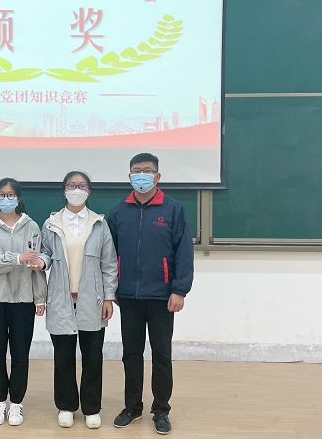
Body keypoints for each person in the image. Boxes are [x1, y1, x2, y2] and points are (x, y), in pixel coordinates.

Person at [107, 153, 194, 435]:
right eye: (137, 171)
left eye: (147, 170)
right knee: (131, 354)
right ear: (129, 176)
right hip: (128, 297)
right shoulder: (118, 212)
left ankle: (161, 410)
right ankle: (132, 407)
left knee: (162, 355)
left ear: (157, 176)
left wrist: (179, 290)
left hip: (162, 296)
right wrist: (112, 288)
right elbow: (109, 255)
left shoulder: (173, 210)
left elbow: (184, 252)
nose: (141, 175)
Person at [36, 171, 118, 430]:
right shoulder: (51, 223)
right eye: (72, 185)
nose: (77, 189)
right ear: (64, 190)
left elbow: (109, 264)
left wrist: (109, 297)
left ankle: (92, 408)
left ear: (89, 191)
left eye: (82, 185)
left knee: (93, 356)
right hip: (61, 299)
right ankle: (66, 406)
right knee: (63, 356)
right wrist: (42, 262)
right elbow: (45, 253)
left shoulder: (99, 224)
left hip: (92, 300)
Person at [0, 178, 47, 426]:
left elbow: (36, 265)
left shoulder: (32, 227)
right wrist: (18, 258)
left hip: (24, 300)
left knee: (20, 353)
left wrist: (40, 297)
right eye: (1, 194)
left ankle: (16, 402)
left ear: (18, 197)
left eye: (10, 194)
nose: (6, 199)